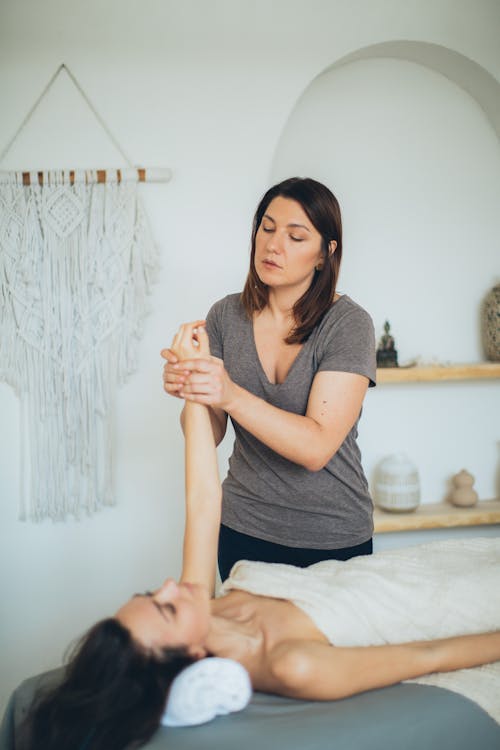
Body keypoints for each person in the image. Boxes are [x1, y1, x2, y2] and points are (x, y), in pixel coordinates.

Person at [19, 323, 500, 750]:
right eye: (165, 607)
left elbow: (204, 498)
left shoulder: (204, 598)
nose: (168, 586)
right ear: (188, 658)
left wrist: (196, 380)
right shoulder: (290, 666)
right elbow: (429, 654)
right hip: (446, 605)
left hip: (420, 564)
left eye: (150, 593)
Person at [162, 177, 377, 579]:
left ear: (324, 254)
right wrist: (192, 389)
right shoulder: (225, 316)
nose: (273, 245)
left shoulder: (348, 324)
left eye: (296, 236)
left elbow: (316, 447)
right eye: (267, 227)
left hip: (333, 536)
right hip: (243, 527)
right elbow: (210, 433)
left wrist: (228, 394)